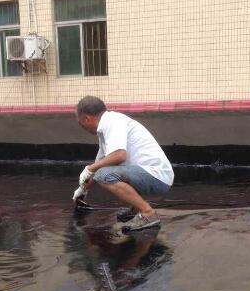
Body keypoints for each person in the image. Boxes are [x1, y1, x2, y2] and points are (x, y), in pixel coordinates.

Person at [72, 96, 174, 232]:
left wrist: (90, 169)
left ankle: (148, 214)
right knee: (103, 172)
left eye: (80, 123)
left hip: (158, 176)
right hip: (150, 174)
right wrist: (83, 190)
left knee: (104, 175)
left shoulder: (112, 122)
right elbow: (98, 166)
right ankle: (136, 209)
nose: (82, 127)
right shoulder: (105, 129)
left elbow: (119, 155)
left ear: (86, 119)